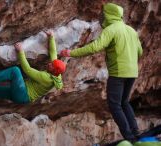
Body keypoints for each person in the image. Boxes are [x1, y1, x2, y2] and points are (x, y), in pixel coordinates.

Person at [60, 3, 143, 142]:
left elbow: (95, 47)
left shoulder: (111, 29)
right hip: (132, 72)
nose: (102, 16)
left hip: (118, 72)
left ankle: (130, 137)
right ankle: (136, 132)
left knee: (114, 105)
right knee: (124, 102)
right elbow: (139, 51)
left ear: (109, 15)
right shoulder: (131, 30)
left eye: (104, 14)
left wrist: (71, 53)